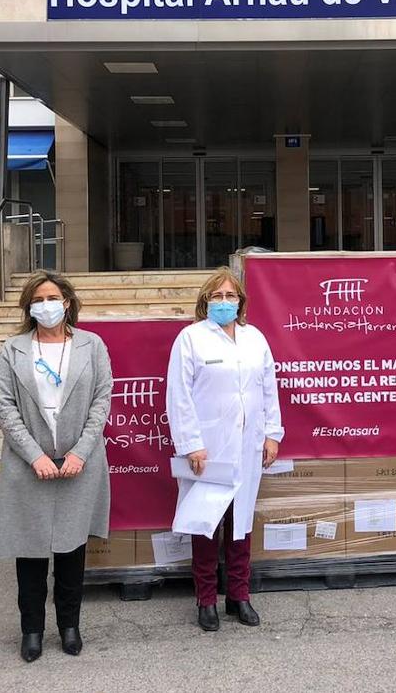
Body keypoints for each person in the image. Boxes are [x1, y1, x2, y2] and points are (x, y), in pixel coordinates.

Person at [0, 271, 113, 662]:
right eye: (39, 298)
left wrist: (80, 452)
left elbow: (101, 401)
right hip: (30, 464)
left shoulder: (92, 346)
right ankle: (31, 630)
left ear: (67, 302)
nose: (46, 305)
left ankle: (69, 626)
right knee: (29, 552)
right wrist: (36, 456)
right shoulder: (13, 349)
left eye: (53, 297)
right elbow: (5, 407)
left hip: (80, 462)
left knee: (71, 550)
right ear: (29, 305)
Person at [166, 266, 284, 632]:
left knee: (240, 525)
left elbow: (268, 389)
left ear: (241, 301)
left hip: (248, 446)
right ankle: (206, 600)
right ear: (205, 302)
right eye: (216, 296)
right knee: (206, 525)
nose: (223, 302)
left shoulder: (255, 339)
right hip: (209, 450)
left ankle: (238, 595)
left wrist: (272, 434)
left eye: (230, 296)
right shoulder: (190, 338)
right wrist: (191, 445)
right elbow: (179, 395)